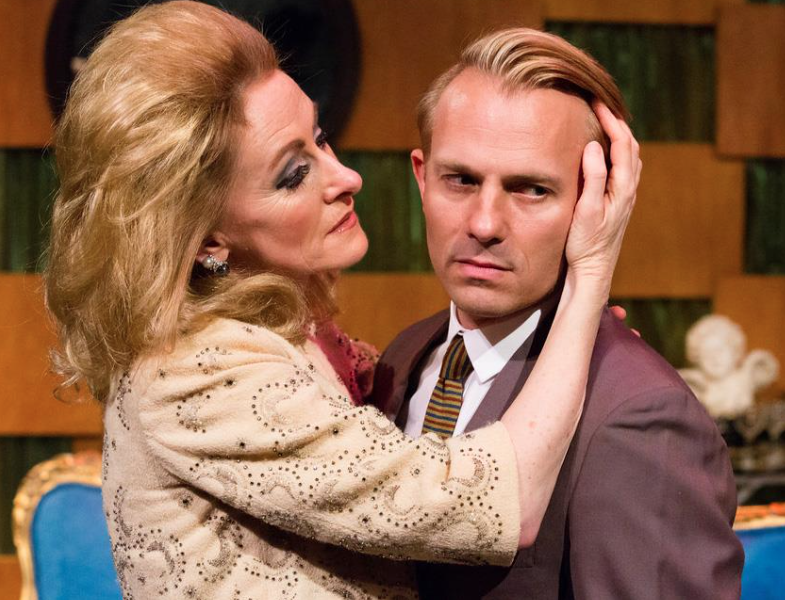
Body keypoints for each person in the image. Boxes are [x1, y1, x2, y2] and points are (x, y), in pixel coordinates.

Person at [44, 3, 638, 598]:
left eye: (320, 138)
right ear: (206, 239)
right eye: (293, 174)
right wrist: (587, 282)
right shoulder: (195, 372)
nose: (345, 177)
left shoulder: (292, 336)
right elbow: (493, 501)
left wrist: (566, 348)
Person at [372, 28, 744, 599]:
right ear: (421, 177)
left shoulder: (639, 414)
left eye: (530, 189)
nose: (484, 223)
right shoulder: (407, 353)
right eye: (461, 180)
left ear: (597, 198)